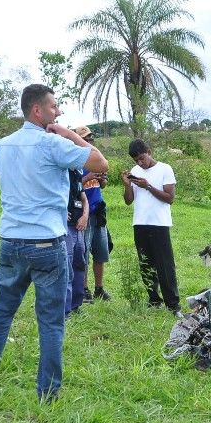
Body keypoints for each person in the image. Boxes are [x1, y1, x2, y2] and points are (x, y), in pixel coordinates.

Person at [0, 84, 107, 402]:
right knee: (50, 319)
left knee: (2, 309)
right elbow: (100, 164)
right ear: (37, 110)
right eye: (54, 107)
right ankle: (48, 390)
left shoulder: (3, 145)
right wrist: (67, 133)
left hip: (11, 241)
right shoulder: (51, 144)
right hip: (47, 243)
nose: (58, 112)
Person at [122, 139, 180, 315]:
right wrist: (127, 185)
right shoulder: (135, 171)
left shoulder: (165, 169)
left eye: (142, 158)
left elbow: (170, 198)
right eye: (136, 160)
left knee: (165, 265)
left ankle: (173, 305)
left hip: (159, 223)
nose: (140, 163)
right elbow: (128, 200)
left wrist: (148, 186)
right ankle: (153, 299)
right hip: (140, 223)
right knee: (146, 264)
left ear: (149, 151)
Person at [76, 127, 112, 302]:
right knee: (84, 253)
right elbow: (71, 187)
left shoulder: (95, 159)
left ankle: (99, 288)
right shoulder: (74, 160)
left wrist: (101, 180)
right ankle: (84, 290)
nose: (89, 142)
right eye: (85, 139)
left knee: (101, 252)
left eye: (90, 139)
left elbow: (102, 186)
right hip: (84, 212)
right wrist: (88, 175)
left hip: (98, 210)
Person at [64, 164, 89, 316]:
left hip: (78, 225)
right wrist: (58, 209)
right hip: (63, 226)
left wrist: (85, 216)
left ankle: (75, 305)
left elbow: (83, 198)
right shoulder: (58, 171)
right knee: (66, 266)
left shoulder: (77, 172)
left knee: (79, 263)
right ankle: (65, 310)